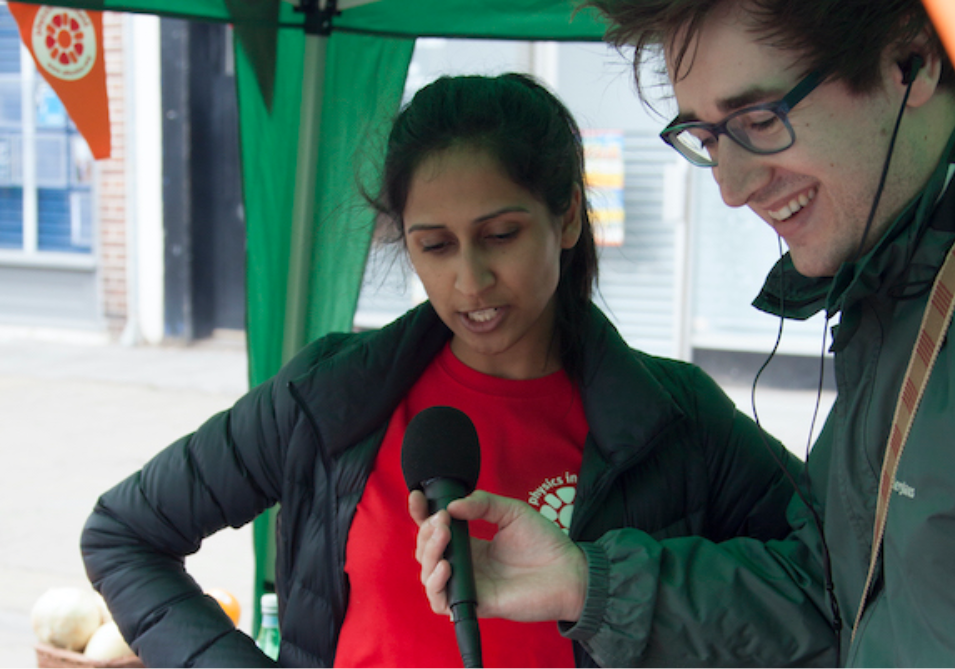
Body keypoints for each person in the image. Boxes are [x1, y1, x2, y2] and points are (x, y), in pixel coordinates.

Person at [80, 72, 803, 669]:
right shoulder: (329, 396)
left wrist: (608, 585)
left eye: (501, 235)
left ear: (570, 218)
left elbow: (825, 586)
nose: (471, 280)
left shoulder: (676, 423)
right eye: (435, 246)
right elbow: (123, 533)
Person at [412, 2, 955, 668]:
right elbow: (822, 598)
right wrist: (585, 582)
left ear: (910, 61)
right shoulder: (908, 297)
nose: (733, 186)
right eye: (710, 137)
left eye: (759, 120)